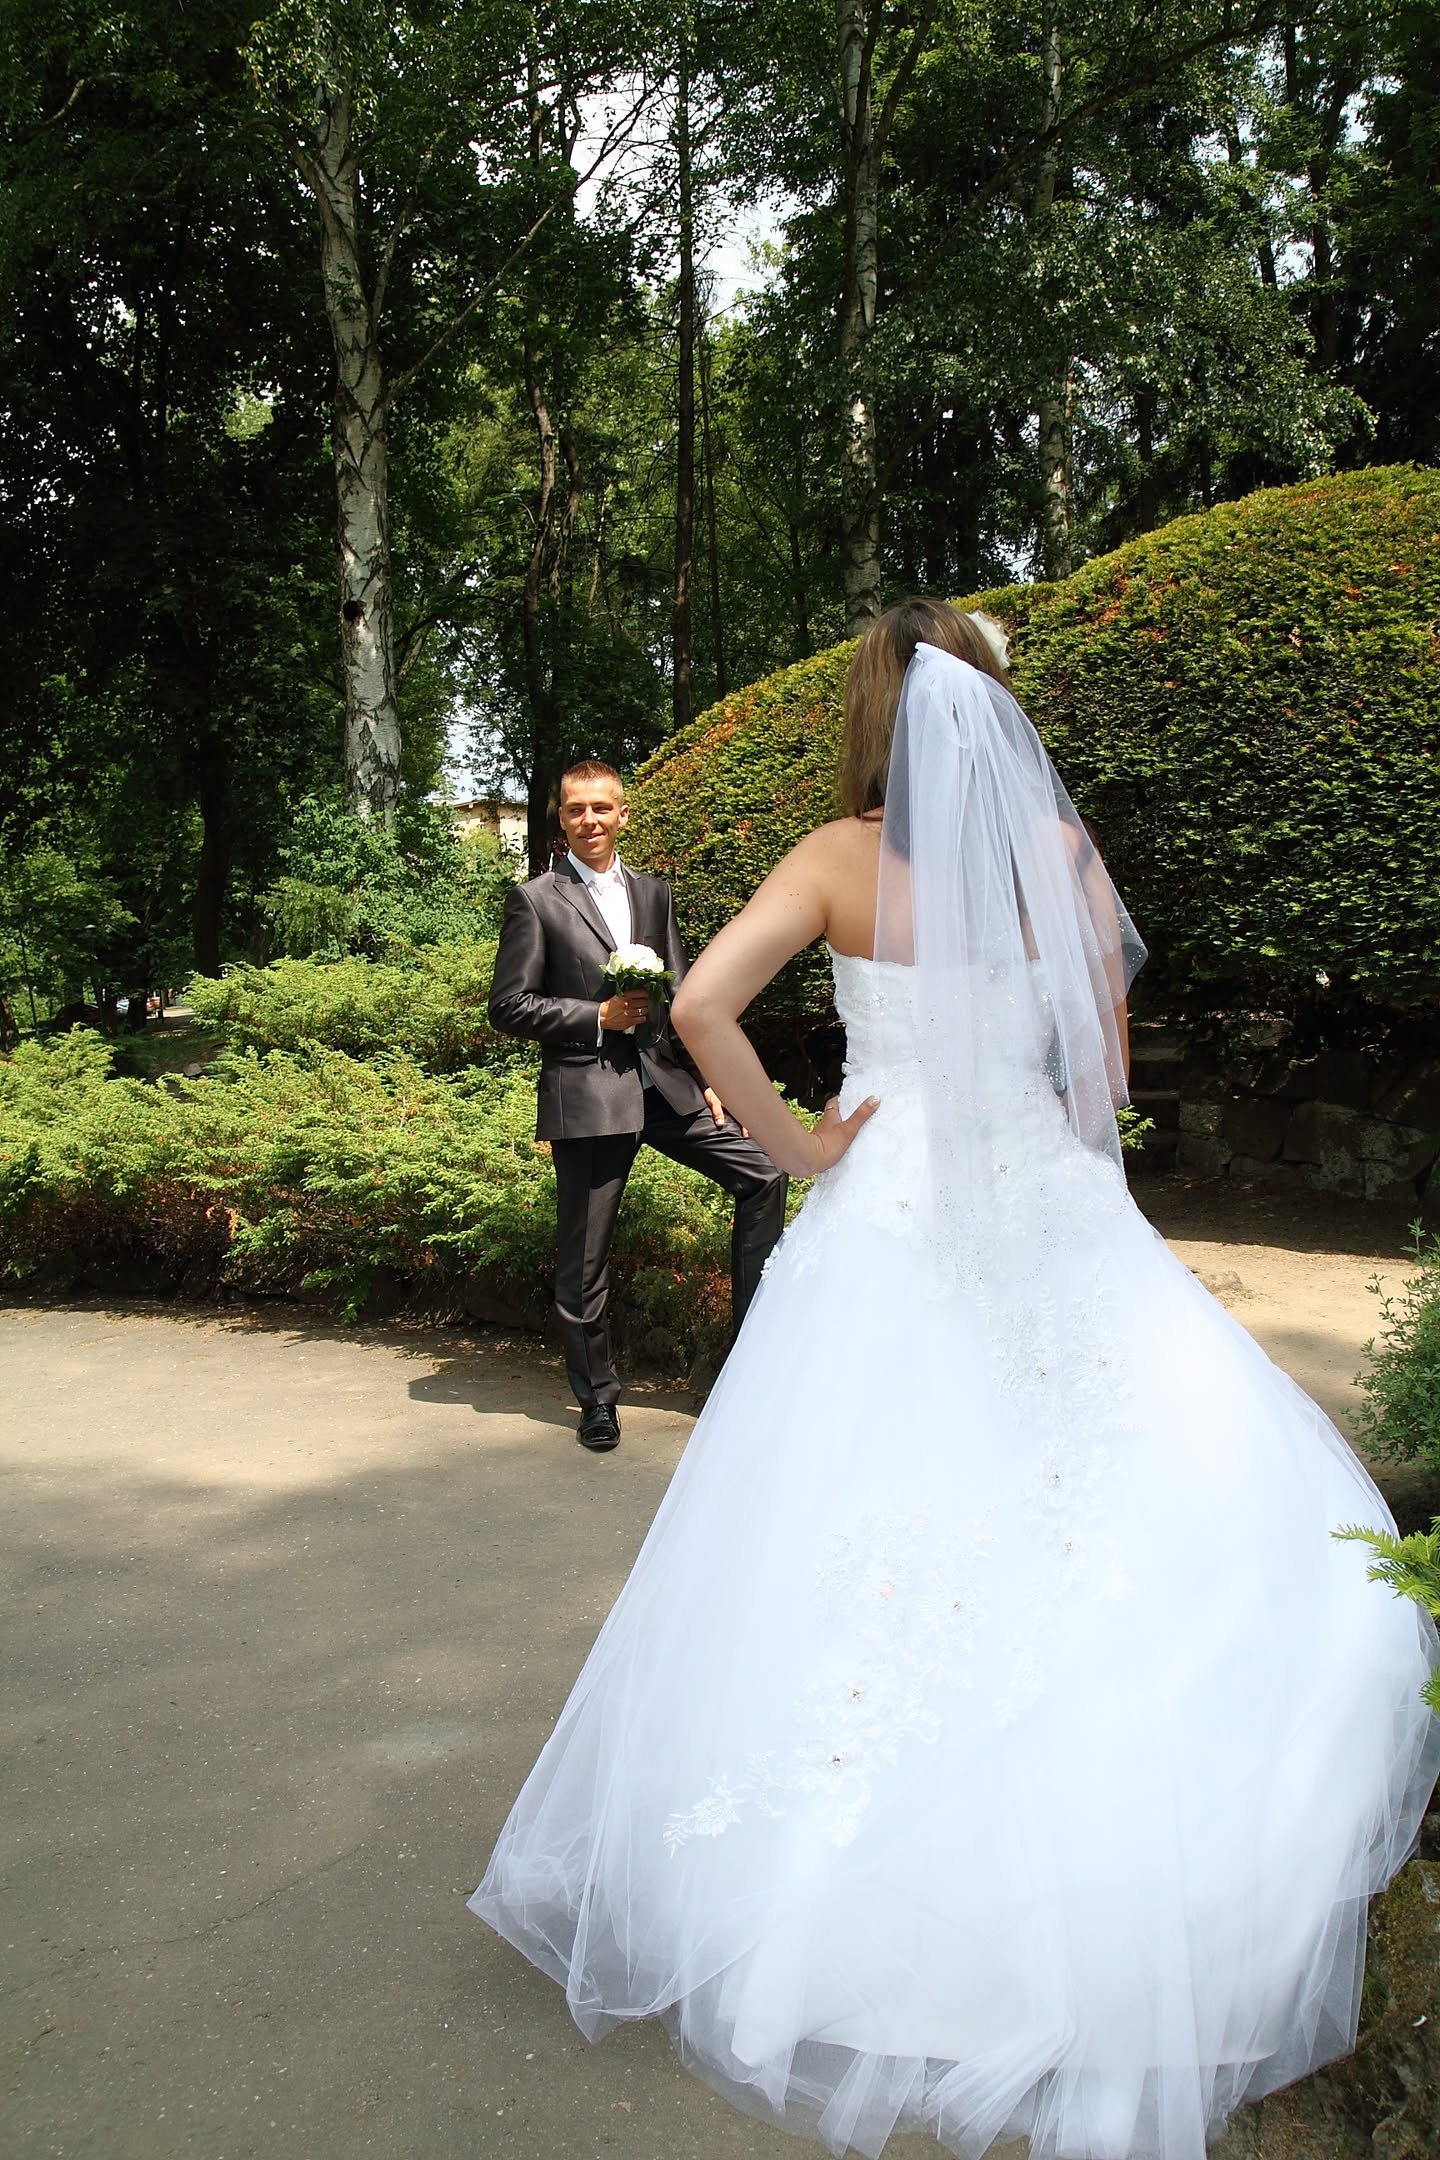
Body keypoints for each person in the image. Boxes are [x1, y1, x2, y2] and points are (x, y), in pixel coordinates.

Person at [471, 605, 1438, 2160]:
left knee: (859, 1498)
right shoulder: (1056, 852)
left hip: (892, 1199)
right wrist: (1075, 1171)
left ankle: (828, 1893)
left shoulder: (833, 860)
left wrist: (799, 1149)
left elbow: (701, 1008)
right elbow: (1102, 1055)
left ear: (875, 717)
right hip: (1039, 1193)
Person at [487, 758, 788, 1452]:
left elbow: (679, 996)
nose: (589, 819)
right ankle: (597, 1400)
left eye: (601, 807)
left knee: (766, 1174)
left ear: (623, 814)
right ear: (561, 819)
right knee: (584, 1258)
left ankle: (747, 1368)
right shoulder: (536, 899)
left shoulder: (654, 893)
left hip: (666, 1087)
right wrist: (595, 1017)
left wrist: (708, 1075)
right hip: (590, 1094)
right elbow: (509, 1005)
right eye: (575, 809)